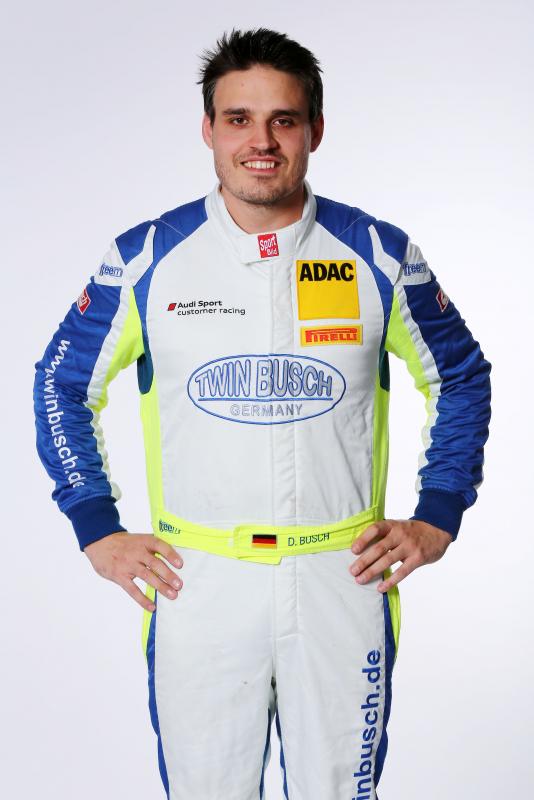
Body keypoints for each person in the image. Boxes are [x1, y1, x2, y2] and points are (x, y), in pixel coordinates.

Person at [33, 27, 491, 800]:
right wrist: (95, 526)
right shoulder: (146, 258)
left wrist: (438, 514)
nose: (262, 142)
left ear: (316, 128)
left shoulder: (377, 253)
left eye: (284, 119)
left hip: (341, 576)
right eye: (238, 119)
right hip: (199, 583)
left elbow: (463, 377)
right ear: (208, 129)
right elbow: (60, 384)